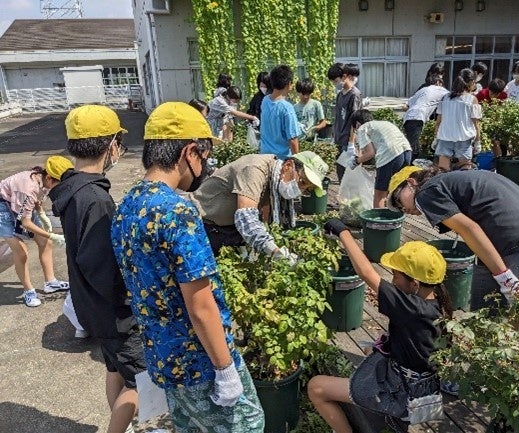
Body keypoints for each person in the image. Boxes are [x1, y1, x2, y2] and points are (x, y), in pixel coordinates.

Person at [110, 101, 265, 433]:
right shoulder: (177, 212)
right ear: (191, 152)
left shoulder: (127, 206)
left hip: (163, 358)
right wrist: (225, 370)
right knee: (249, 425)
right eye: (206, 155)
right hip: (201, 362)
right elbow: (200, 304)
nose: (206, 164)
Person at [49, 105, 146, 433]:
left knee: (115, 369)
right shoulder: (96, 200)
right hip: (115, 311)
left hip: (92, 305)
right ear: (112, 145)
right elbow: (103, 266)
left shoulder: (73, 189)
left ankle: (124, 424)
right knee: (141, 381)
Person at [308, 230, 452, 433]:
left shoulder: (413, 309)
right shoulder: (439, 301)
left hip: (403, 394)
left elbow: (367, 273)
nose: (392, 281)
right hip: (424, 385)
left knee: (316, 387)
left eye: (396, 275)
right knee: (371, 350)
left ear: (415, 284)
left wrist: (342, 232)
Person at [387, 165, 519, 310]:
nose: (403, 208)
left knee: (491, 319)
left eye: (397, 200)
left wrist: (505, 278)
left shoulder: (425, 193)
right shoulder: (453, 180)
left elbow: (469, 229)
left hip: (514, 242)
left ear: (411, 182)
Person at [192, 150, 328, 255]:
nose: (300, 189)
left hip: (229, 227)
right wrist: (274, 251)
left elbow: (264, 216)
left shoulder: (274, 179)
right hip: (201, 224)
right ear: (288, 166)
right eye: (302, 182)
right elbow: (246, 218)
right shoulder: (254, 169)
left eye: (307, 189)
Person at [0, 157, 70, 307]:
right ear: (50, 177)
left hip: (18, 204)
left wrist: (42, 215)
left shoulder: (42, 178)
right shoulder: (28, 187)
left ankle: (51, 282)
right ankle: (28, 291)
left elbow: (36, 201)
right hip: (3, 207)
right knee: (21, 252)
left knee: (45, 241)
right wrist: (54, 234)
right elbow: (26, 223)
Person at [347, 109, 412, 208]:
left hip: (389, 155)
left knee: (379, 194)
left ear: (357, 124)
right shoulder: (383, 123)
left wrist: (356, 161)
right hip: (407, 152)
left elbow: (370, 153)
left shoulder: (362, 128)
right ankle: (395, 219)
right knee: (396, 190)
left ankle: (378, 221)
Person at [433, 68, 482, 171]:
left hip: (445, 137)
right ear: (472, 82)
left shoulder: (445, 98)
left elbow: (438, 121)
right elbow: (476, 123)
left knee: (442, 171)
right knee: (465, 171)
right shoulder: (472, 99)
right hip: (464, 138)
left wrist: (435, 138)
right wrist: (478, 141)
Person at [327, 62, 362, 181]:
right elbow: (337, 117)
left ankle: (352, 198)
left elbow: (355, 120)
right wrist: (334, 136)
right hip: (339, 138)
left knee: (351, 174)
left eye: (336, 81)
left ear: (345, 76)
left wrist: (352, 142)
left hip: (348, 140)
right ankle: (344, 198)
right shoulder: (340, 95)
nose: (335, 84)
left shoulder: (354, 94)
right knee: (341, 171)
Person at [402, 74, 448, 160]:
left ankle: (409, 164)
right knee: (413, 148)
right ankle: (408, 167)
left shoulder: (423, 90)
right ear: (438, 82)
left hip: (408, 117)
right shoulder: (440, 90)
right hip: (417, 117)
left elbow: (406, 105)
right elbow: (451, 97)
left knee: (411, 145)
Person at [259, 64, 301, 159]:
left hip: (264, 157)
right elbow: (293, 140)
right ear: (289, 84)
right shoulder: (287, 108)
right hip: (281, 160)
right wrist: (297, 161)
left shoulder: (265, 101)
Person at [476, 78, 508, 157]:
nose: (493, 96)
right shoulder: (482, 94)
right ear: (488, 89)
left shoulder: (503, 96)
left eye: (496, 94)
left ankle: (498, 161)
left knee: (496, 143)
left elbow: (503, 111)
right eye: (491, 93)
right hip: (482, 122)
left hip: (496, 124)